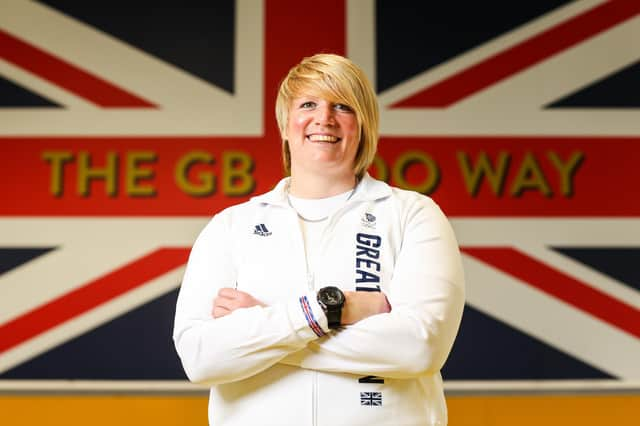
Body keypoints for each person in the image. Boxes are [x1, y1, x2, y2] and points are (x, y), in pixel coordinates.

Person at [173, 53, 465, 426]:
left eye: (342, 106)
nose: (324, 118)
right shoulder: (230, 227)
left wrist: (259, 325)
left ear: (363, 125)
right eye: (309, 104)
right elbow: (200, 358)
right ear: (285, 124)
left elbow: (420, 348)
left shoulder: (412, 215)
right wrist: (330, 310)